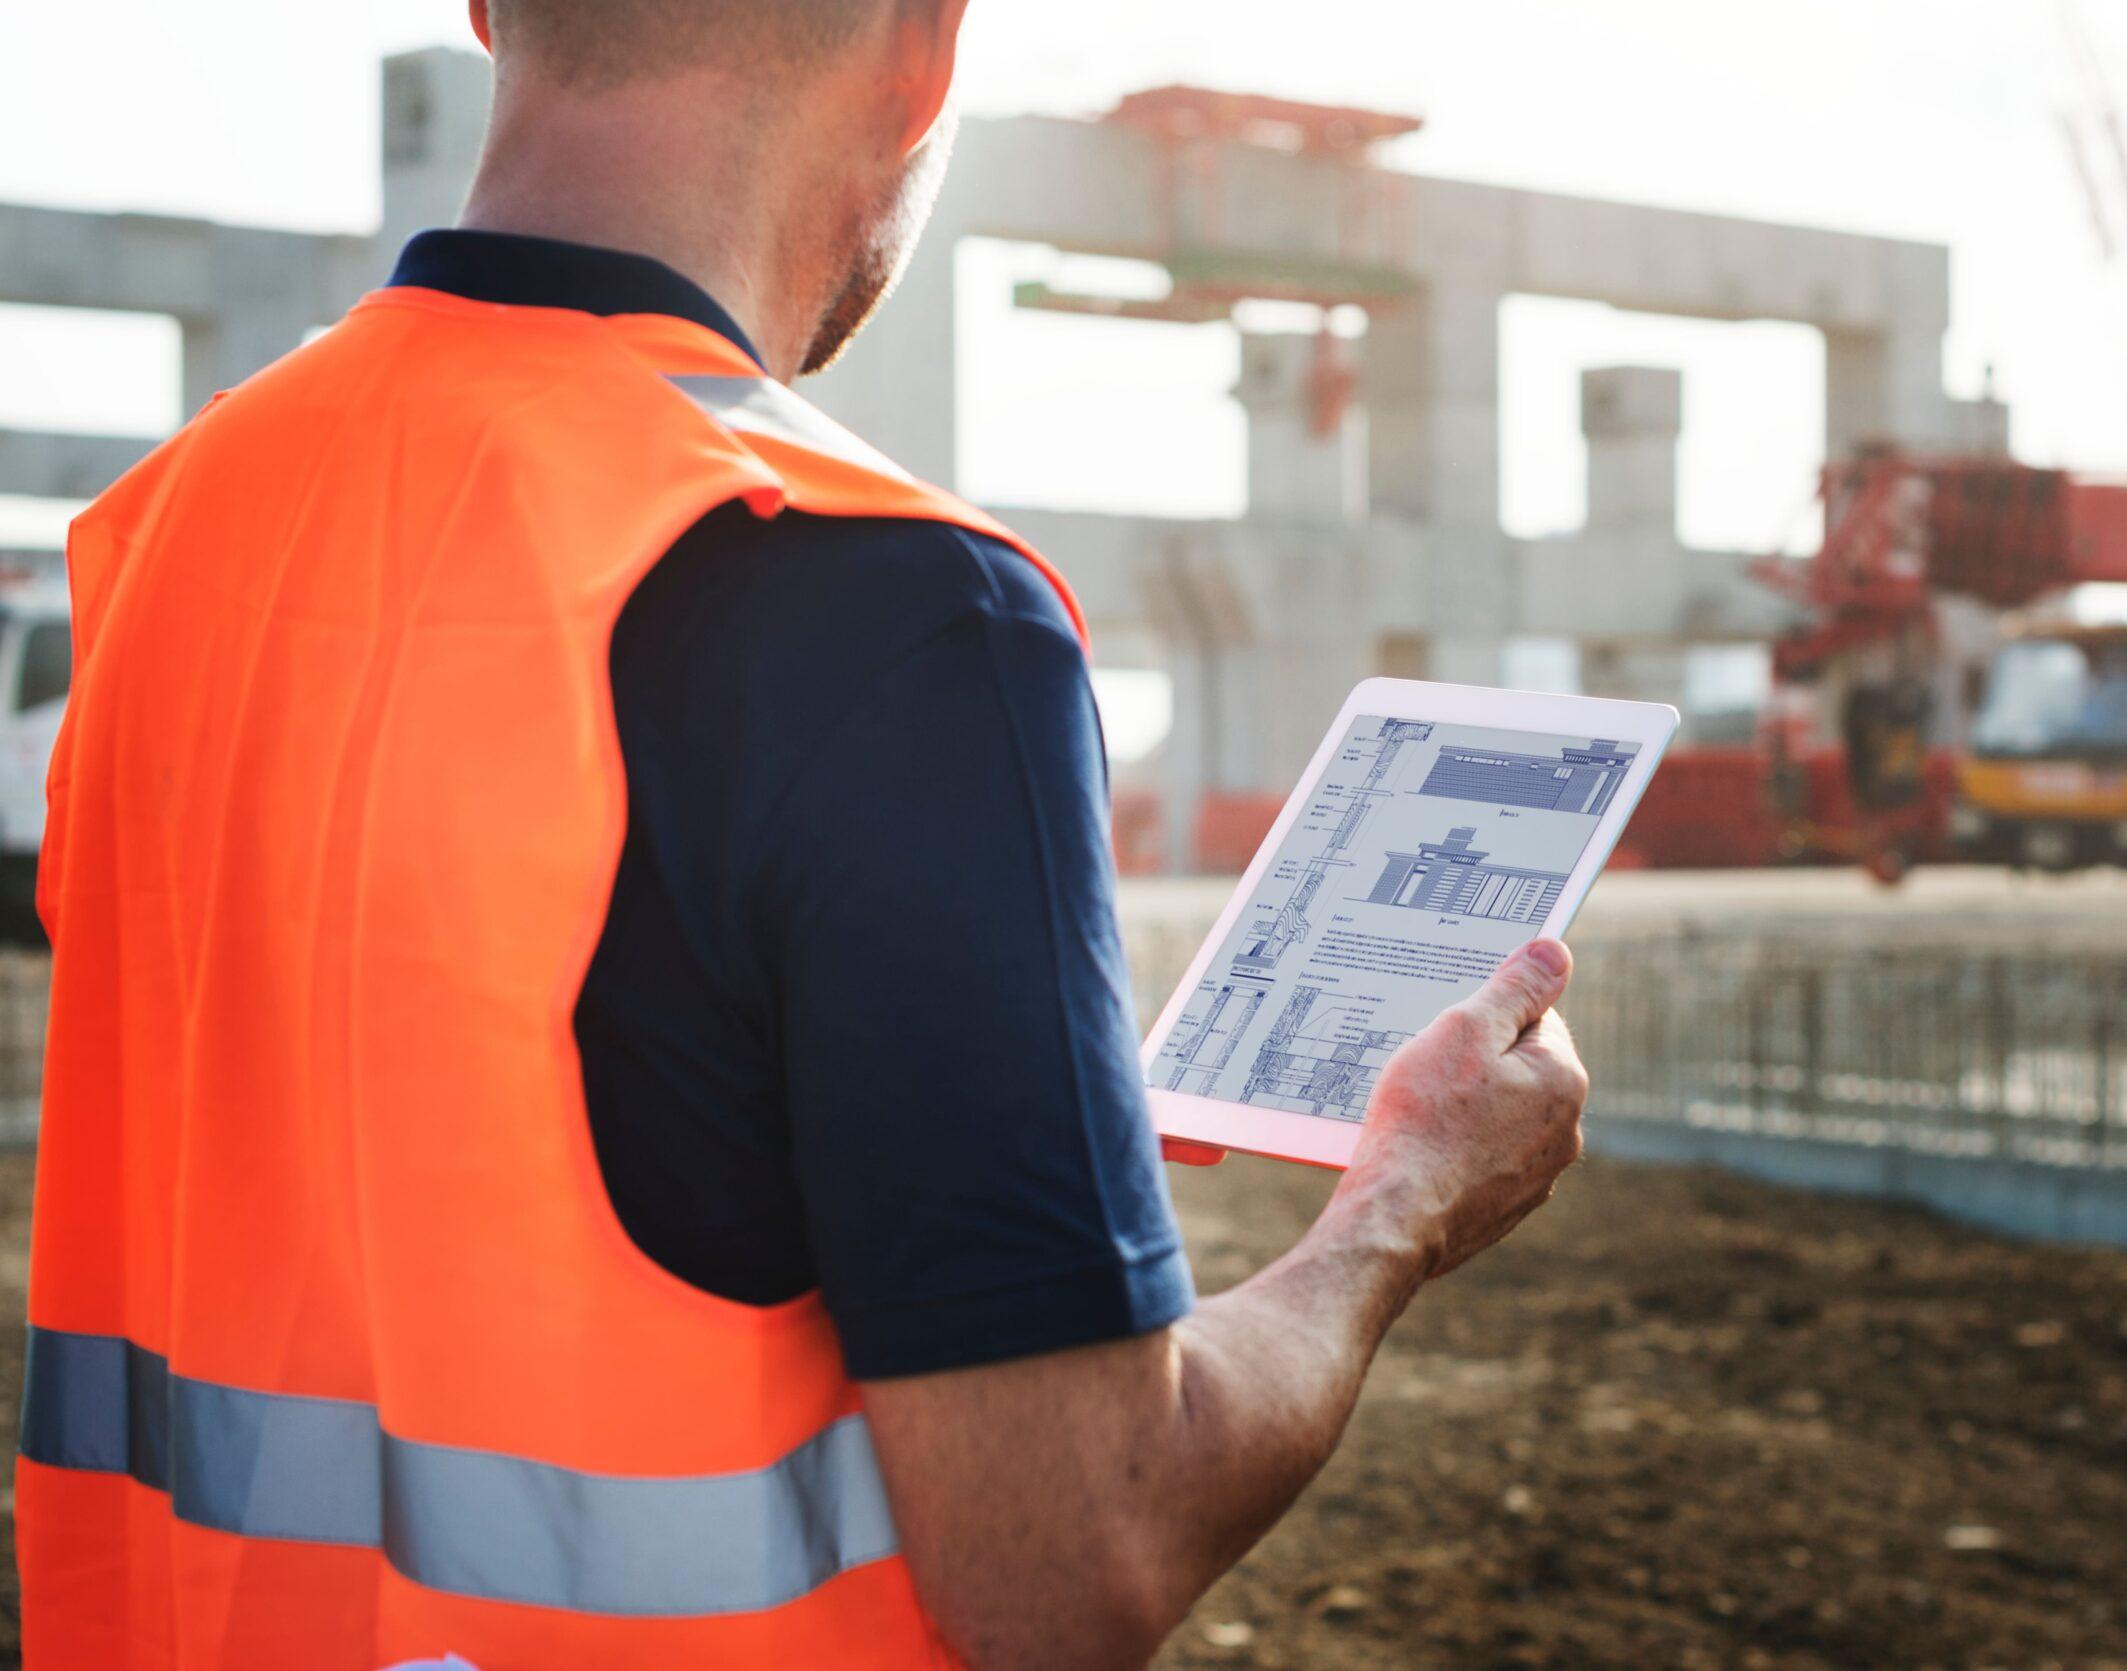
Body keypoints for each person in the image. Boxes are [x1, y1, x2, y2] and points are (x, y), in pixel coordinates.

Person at [15, 3, 1591, 1668]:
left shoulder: (174, 522)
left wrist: (944, 1109)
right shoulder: (885, 607)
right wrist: (1400, 1202)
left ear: (485, 8)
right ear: (924, 48)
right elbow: (1071, 1557)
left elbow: (430, 1096)